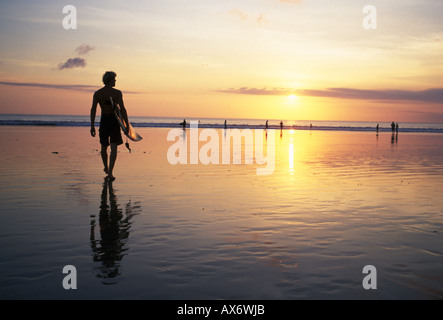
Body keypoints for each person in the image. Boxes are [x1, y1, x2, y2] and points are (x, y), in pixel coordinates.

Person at [90, 71, 129, 181]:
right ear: (110, 80)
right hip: (114, 121)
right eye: (114, 79)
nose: (115, 81)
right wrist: (126, 125)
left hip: (104, 120)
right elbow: (122, 109)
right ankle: (110, 172)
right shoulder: (117, 93)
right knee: (113, 147)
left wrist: (92, 126)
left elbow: (93, 110)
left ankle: (106, 167)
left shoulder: (98, 93)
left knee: (103, 146)